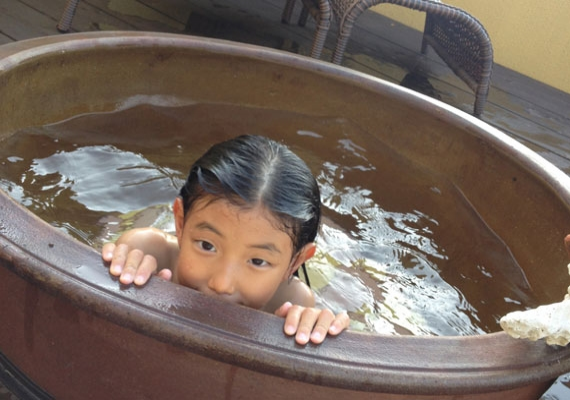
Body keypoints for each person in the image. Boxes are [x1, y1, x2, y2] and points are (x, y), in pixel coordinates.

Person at [102, 134, 349, 345]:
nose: (222, 284)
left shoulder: (289, 303)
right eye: (207, 245)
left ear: (295, 263)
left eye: (257, 261)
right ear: (180, 222)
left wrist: (317, 329)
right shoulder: (147, 251)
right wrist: (121, 279)